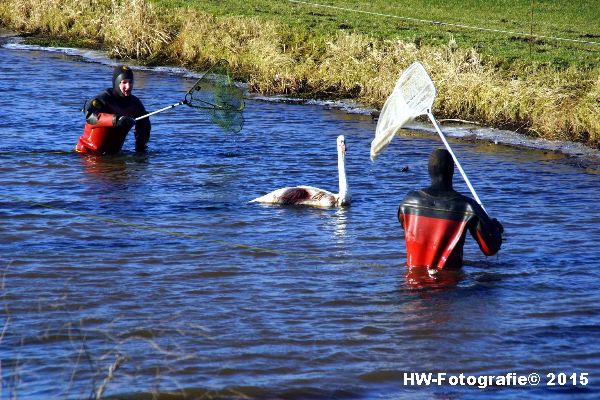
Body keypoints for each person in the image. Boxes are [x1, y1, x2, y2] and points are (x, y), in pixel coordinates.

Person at [398, 148, 504, 277]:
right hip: (448, 288)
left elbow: (409, 228)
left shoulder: (408, 201)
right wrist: (495, 230)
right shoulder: (467, 206)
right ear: (452, 172)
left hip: (412, 284)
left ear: (429, 171)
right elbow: (490, 249)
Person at [76, 65, 150, 154]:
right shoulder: (103, 99)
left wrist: (140, 149)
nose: (128, 86)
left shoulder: (135, 104)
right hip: (87, 154)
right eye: (124, 82)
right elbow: (90, 116)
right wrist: (116, 120)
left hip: (113, 155)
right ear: (116, 82)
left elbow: (144, 126)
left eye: (131, 82)